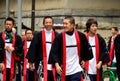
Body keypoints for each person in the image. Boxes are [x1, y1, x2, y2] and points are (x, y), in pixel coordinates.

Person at [49, 16, 93, 81]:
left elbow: (86, 49)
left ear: (72, 25)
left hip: (76, 70)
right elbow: (53, 52)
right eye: (63, 23)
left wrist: (84, 60)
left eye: (66, 24)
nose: (64, 25)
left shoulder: (81, 36)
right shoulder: (59, 37)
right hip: (63, 70)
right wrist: (57, 65)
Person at [26, 16, 58, 81]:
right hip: (41, 63)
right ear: (43, 24)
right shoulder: (38, 35)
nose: (48, 24)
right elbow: (33, 48)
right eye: (46, 22)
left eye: (50, 22)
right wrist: (31, 62)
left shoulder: (57, 35)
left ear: (53, 24)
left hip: (53, 64)